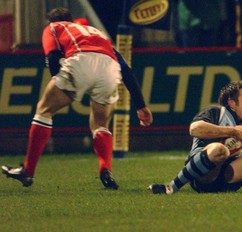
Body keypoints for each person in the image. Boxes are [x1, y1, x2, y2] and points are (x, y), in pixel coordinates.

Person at [1, 7, 152, 190]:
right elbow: (126, 70)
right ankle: (105, 168)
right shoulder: (96, 32)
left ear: (51, 21)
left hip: (81, 61)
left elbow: (53, 56)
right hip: (109, 69)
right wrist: (141, 105)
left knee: (44, 110)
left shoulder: (53, 28)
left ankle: (28, 171)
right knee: (100, 124)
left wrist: (60, 82)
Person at [148, 80, 242, 194]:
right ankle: (172, 187)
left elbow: (237, 163)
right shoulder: (216, 112)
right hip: (203, 178)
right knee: (219, 150)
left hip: (227, 182)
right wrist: (232, 131)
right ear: (232, 103)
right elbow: (194, 129)